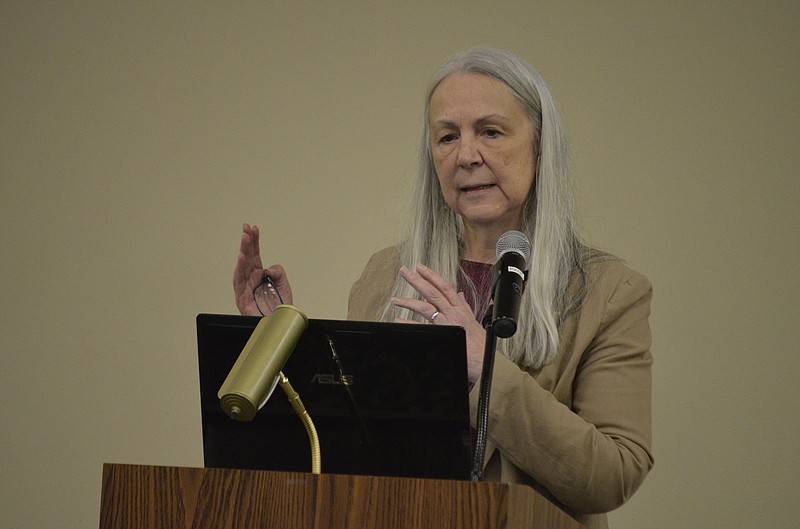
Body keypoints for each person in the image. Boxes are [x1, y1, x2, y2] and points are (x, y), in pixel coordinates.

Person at [233, 47, 653, 529]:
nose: (466, 156)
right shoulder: (385, 276)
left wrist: (483, 367)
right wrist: (280, 346)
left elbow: (614, 474)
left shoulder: (609, 292)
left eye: (490, 132)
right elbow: (344, 445)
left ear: (540, 147)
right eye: (447, 137)